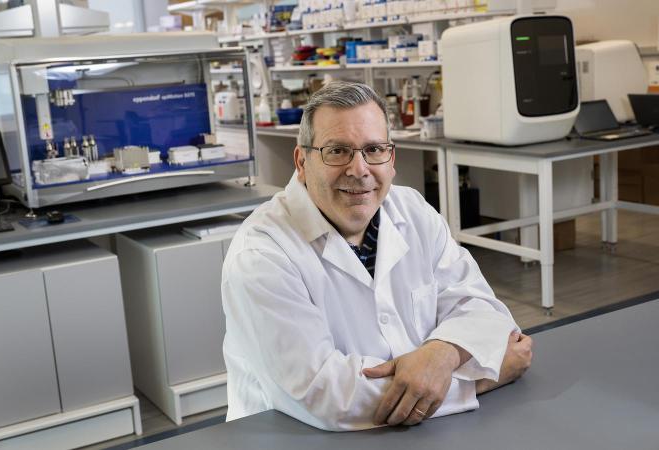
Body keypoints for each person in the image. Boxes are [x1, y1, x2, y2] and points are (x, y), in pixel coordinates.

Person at [221, 80, 533, 431]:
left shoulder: (412, 209)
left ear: (391, 158)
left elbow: (483, 309)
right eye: (337, 151)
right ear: (301, 162)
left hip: (418, 432)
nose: (359, 169)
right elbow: (328, 395)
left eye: (373, 149)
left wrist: (442, 353)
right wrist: (481, 378)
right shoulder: (262, 254)